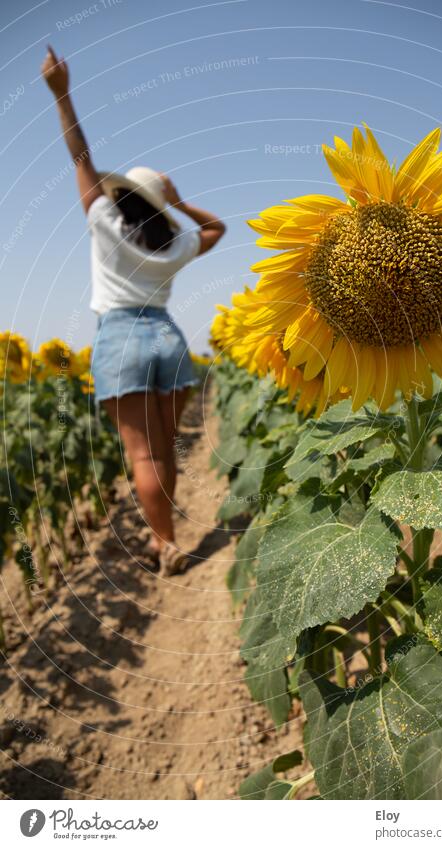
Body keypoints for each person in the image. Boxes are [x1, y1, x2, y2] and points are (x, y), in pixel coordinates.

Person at [41, 46, 225, 574]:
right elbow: (215, 229)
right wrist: (180, 200)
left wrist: (61, 92)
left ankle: (164, 544)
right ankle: (164, 536)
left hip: (121, 339)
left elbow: (80, 157)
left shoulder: (104, 221)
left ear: (121, 198)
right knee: (164, 450)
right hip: (168, 338)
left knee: (142, 455)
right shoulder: (171, 247)